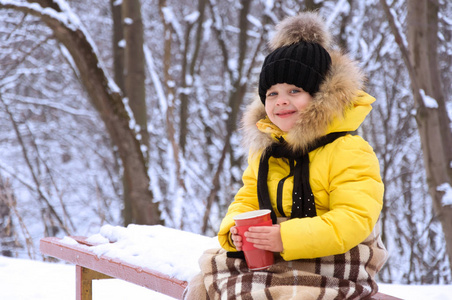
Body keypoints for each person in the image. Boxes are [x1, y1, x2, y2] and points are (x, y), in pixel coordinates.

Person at [184, 11, 388, 300]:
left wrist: (285, 236)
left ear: (321, 97)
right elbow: (248, 197)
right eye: (272, 93)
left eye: (294, 90)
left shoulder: (348, 151)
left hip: (335, 258)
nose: (281, 100)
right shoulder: (269, 151)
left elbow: (353, 219)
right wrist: (235, 231)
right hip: (278, 254)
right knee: (206, 281)